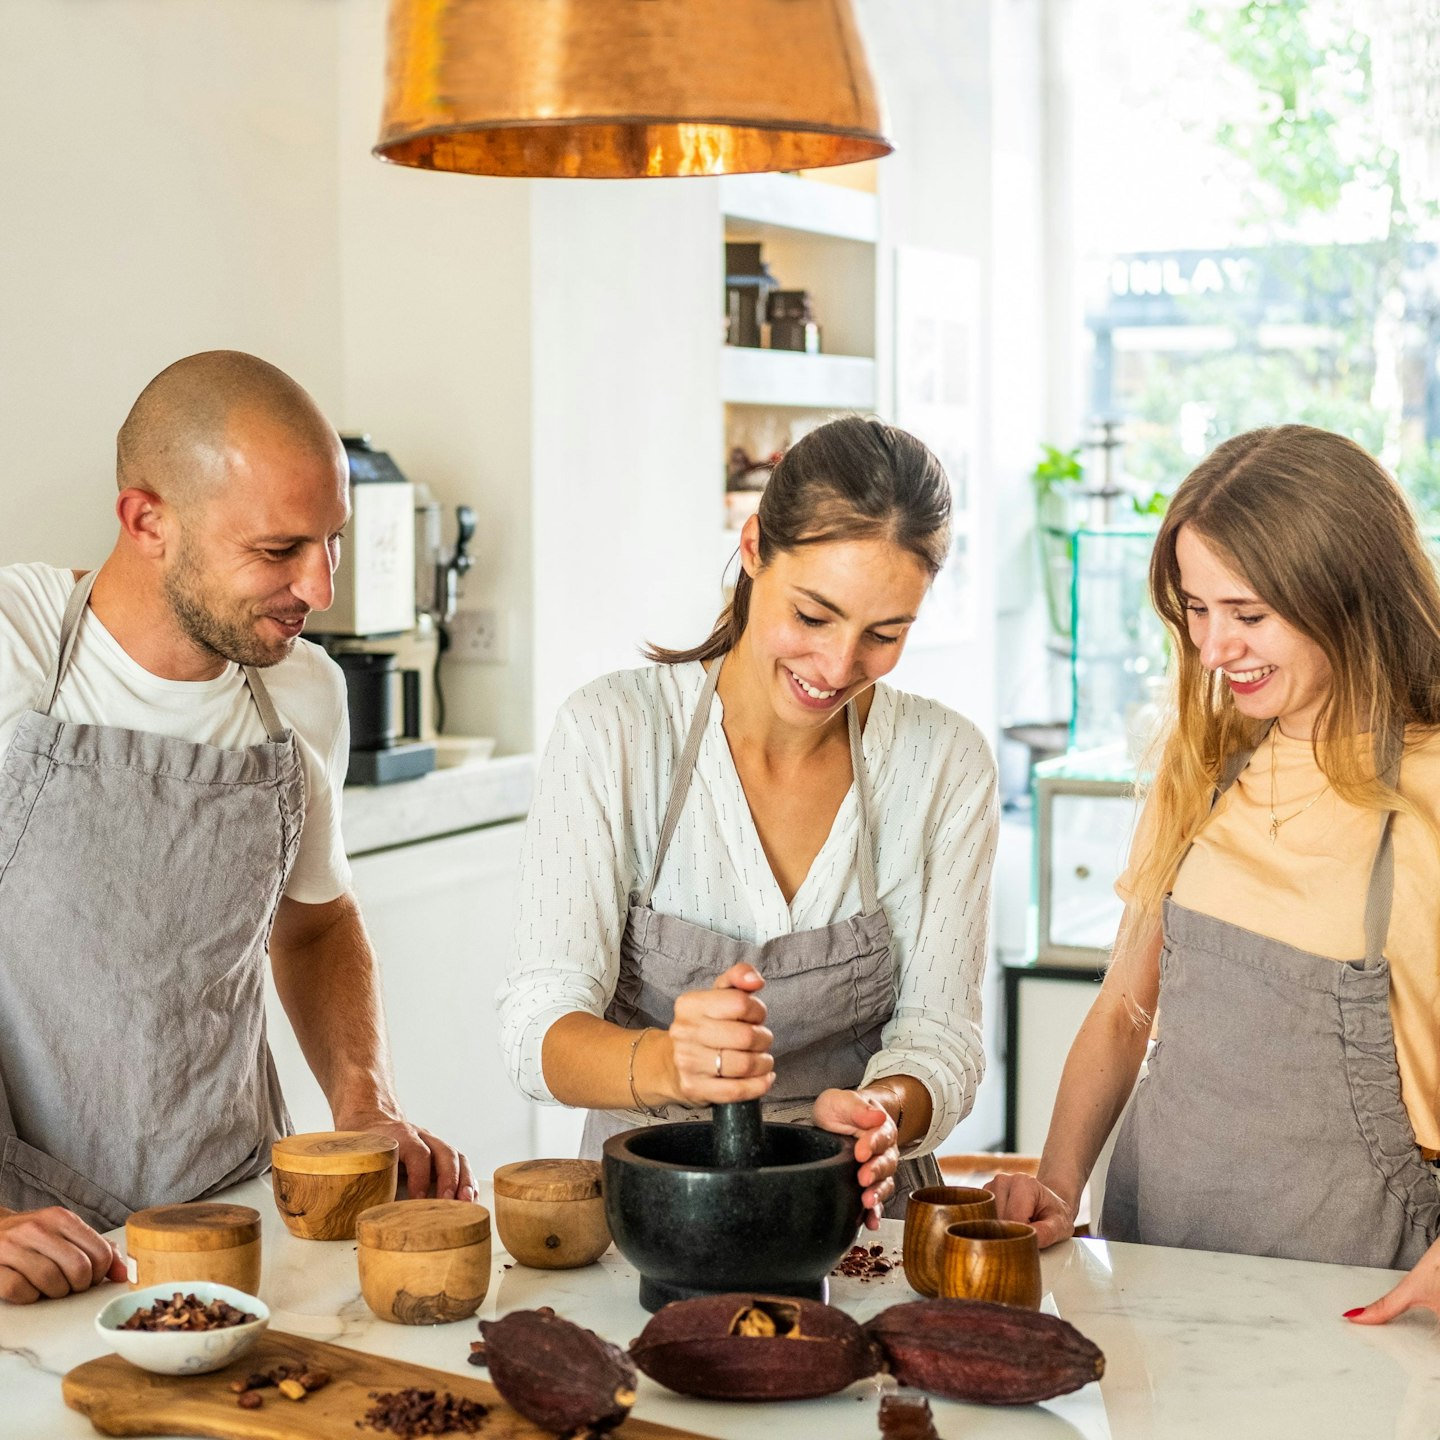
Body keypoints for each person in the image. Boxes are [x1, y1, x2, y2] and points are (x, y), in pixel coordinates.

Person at [0, 351, 473, 1305]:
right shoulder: (14, 647)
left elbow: (316, 920)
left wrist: (364, 1102)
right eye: (278, 549)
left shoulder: (304, 695)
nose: (321, 586)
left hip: (235, 1214)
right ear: (148, 522)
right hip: (27, 1236)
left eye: (331, 542)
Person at [986, 423, 1440, 1322]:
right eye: (1197, 610)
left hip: (1354, 1286)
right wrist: (1059, 1180)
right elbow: (1124, 1010)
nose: (1213, 649)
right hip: (1158, 1262)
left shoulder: (1426, 788)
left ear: (1346, 593)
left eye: (1248, 614)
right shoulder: (1204, 766)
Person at [498, 416, 997, 1223]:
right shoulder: (615, 733)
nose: (837, 668)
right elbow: (534, 1032)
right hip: (651, 1212)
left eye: (885, 633)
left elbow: (944, 1036)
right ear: (755, 546)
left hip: (858, 1220)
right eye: (813, 615)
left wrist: (885, 1111)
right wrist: (669, 1061)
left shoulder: (945, 762)